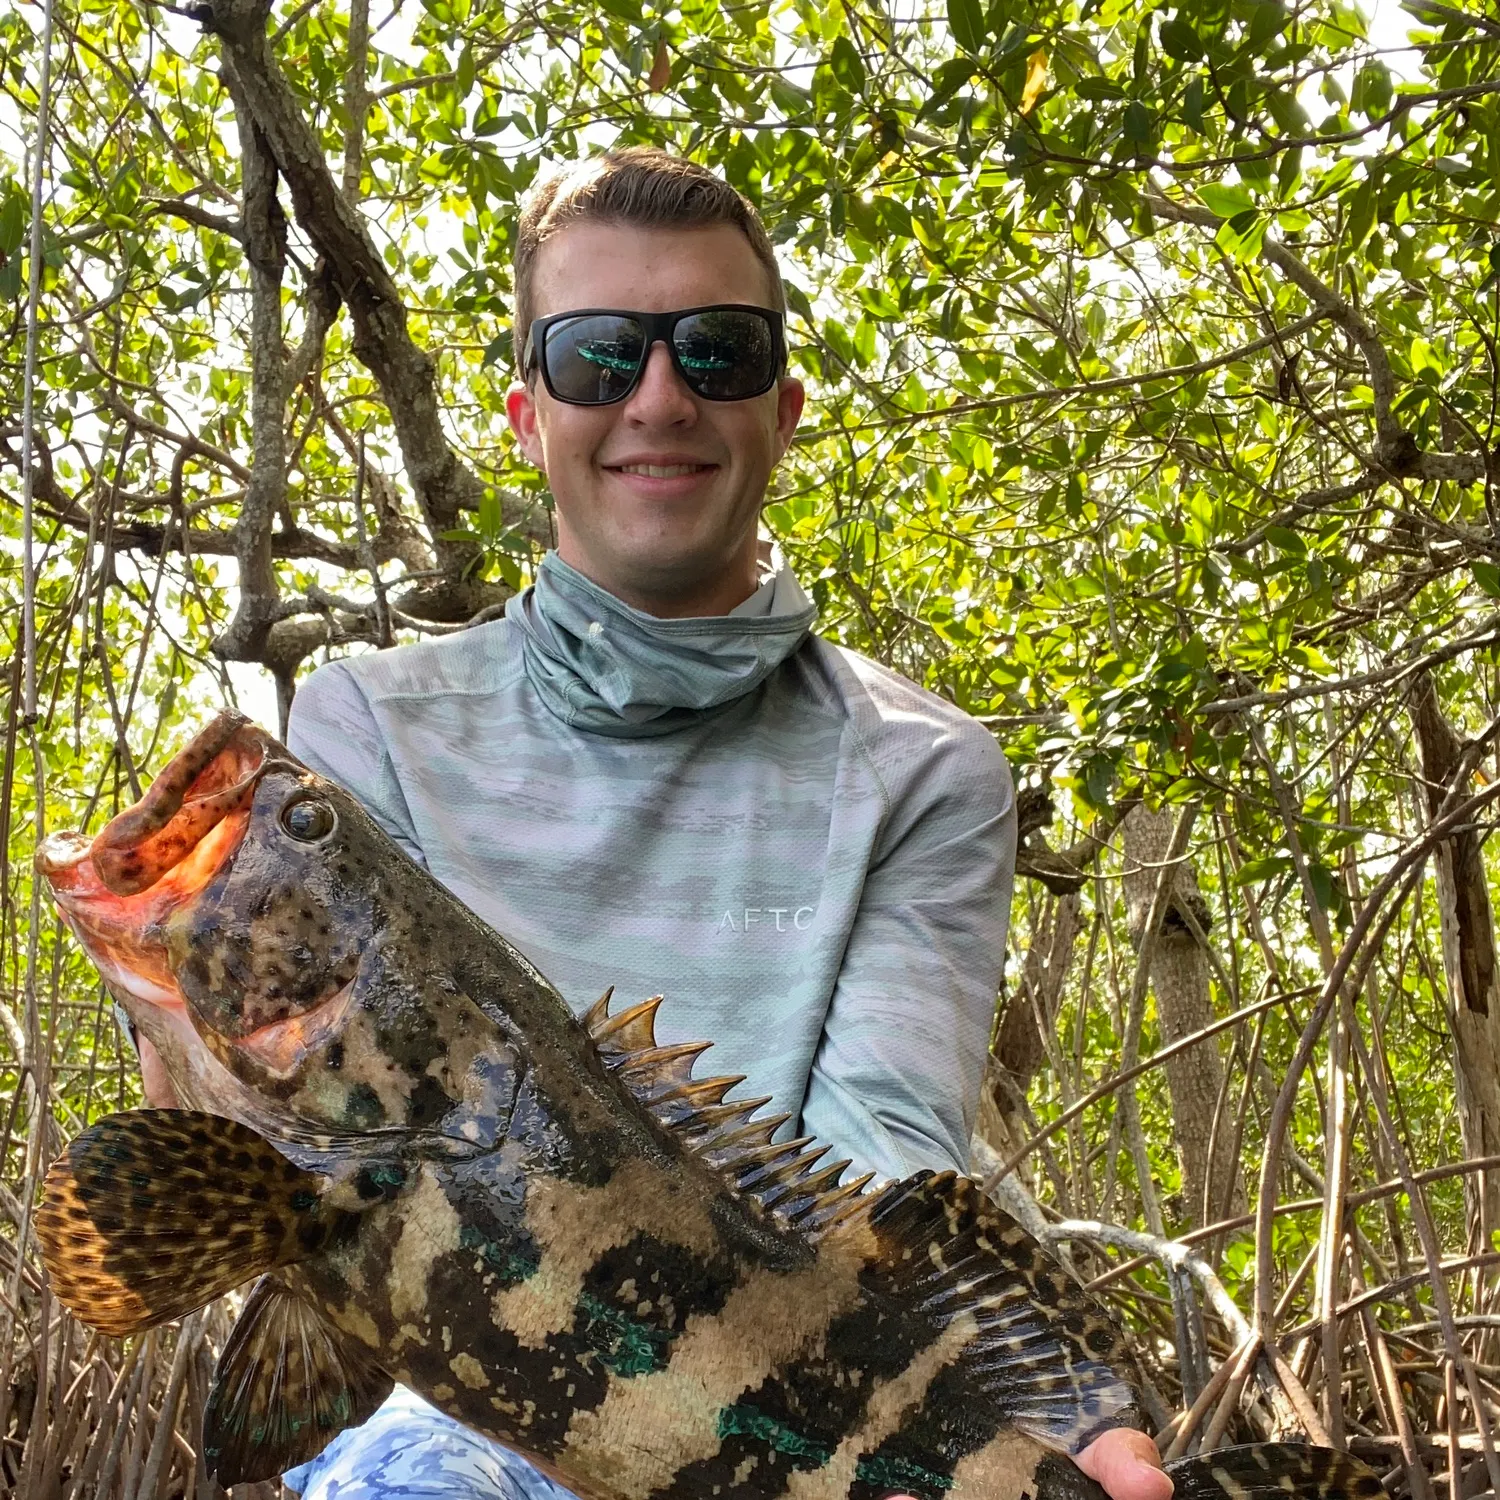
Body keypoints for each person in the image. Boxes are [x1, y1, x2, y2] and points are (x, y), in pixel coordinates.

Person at [145, 147, 1171, 1500]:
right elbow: (333, 1163)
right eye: (599, 356)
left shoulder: (930, 768)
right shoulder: (361, 731)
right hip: (462, 1390)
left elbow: (883, 1153)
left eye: (718, 349)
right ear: (526, 414)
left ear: (785, 408)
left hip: (834, 1374)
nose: (661, 396)